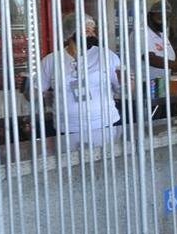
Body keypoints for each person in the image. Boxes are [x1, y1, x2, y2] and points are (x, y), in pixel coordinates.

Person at [39, 12, 122, 147]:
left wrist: (127, 82)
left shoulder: (106, 56)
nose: (92, 34)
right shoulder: (52, 61)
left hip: (105, 124)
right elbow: (34, 92)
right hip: (67, 129)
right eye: (86, 30)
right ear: (71, 33)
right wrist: (26, 86)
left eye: (93, 30)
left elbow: (123, 89)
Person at [143, 0, 177, 113]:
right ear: (149, 15)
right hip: (148, 84)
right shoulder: (141, 33)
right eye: (159, 17)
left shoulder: (161, 34)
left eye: (165, 17)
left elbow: (168, 53)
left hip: (163, 83)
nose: (162, 20)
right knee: (151, 121)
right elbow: (150, 58)